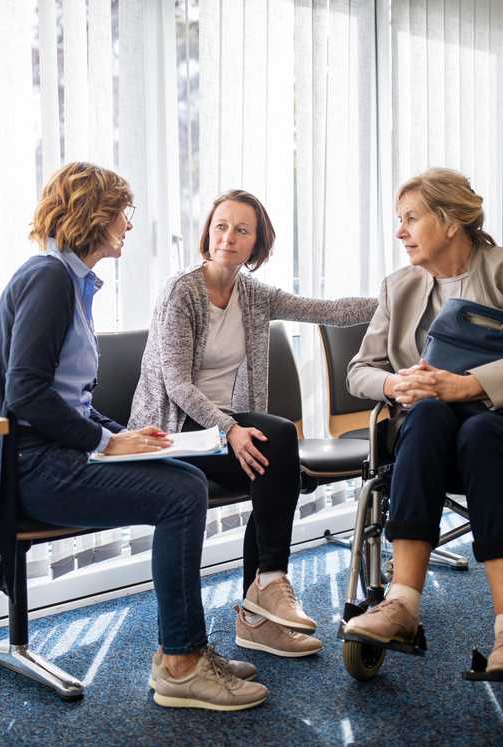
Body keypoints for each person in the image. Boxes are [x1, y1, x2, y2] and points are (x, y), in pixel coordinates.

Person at [0, 163, 266, 711]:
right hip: (26, 467)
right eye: (123, 212)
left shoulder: (66, 280)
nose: (128, 225)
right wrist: (104, 442)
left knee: (183, 478)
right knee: (182, 493)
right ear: (95, 215)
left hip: (47, 453)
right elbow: (25, 394)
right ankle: (181, 663)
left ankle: (182, 653)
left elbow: (70, 399)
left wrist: (127, 433)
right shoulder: (48, 278)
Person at [129, 189, 377, 658]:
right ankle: (265, 593)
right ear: (208, 232)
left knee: (273, 449)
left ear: (256, 243)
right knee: (277, 442)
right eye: (221, 225)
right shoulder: (182, 292)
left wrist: (398, 295)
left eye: (242, 229)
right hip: (174, 433)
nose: (229, 236)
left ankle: (261, 600)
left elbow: (325, 310)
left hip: (222, 433)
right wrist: (229, 429)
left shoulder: (252, 295)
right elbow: (177, 384)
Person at [343, 167, 503, 676]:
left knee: (481, 431)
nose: (399, 231)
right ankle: (401, 604)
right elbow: (360, 371)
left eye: (410, 218)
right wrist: (393, 385)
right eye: (397, 220)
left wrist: (470, 385)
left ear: (450, 222)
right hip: (430, 440)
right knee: (423, 416)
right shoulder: (398, 286)